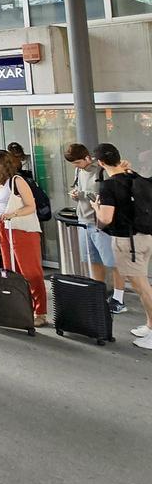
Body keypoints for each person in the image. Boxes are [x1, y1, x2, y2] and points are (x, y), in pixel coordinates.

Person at [0, 150, 48, 327]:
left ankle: (40, 311)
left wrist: (13, 214)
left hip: (22, 229)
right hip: (4, 227)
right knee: (9, 269)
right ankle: (19, 306)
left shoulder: (17, 181)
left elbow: (31, 206)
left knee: (30, 271)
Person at [92, 143, 152, 349]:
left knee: (142, 287)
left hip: (127, 241)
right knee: (142, 284)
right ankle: (150, 325)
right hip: (144, 237)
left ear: (100, 162)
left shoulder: (108, 185)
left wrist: (96, 208)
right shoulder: (134, 176)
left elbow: (106, 218)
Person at [65, 143, 126, 314]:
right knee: (93, 260)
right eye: (74, 164)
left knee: (113, 261)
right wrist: (76, 195)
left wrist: (83, 195)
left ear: (87, 157)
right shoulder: (79, 171)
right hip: (84, 220)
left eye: (78, 162)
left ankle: (118, 298)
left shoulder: (101, 172)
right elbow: (80, 190)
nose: (77, 166)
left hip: (101, 223)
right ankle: (99, 293)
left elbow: (106, 195)